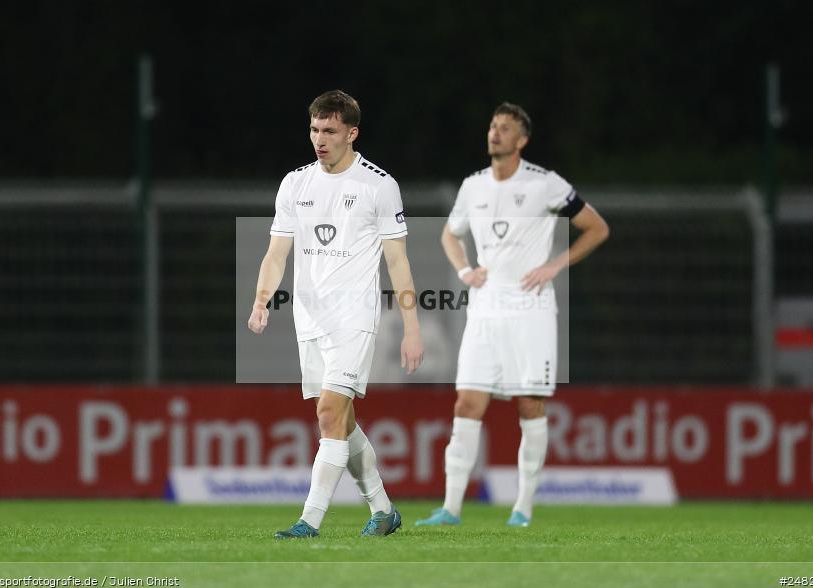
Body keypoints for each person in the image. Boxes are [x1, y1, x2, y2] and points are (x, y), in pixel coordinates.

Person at [416, 102, 609, 528]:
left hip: (531, 310)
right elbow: (450, 233)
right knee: (467, 402)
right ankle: (450, 508)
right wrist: (466, 269)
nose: (495, 133)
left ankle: (523, 507)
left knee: (529, 404)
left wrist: (557, 265)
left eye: (505, 128)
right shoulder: (473, 186)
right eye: (492, 126)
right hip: (485, 310)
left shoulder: (545, 184)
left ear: (522, 140)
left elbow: (597, 227)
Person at [248, 90, 424, 538]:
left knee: (329, 412)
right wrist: (261, 299)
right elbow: (275, 254)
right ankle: (384, 511)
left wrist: (411, 327)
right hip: (308, 318)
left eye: (329, 131)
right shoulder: (295, 184)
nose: (319, 139)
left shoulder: (378, 185)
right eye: (314, 129)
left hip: (354, 317)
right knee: (340, 420)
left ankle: (310, 520)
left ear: (352, 132)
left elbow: (398, 261)